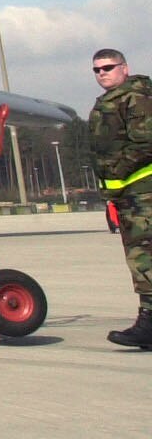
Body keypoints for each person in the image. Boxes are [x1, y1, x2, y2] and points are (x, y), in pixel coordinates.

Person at [89, 47, 152, 349]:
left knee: (145, 258)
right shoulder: (110, 102)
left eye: (108, 67)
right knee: (141, 258)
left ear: (124, 68)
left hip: (144, 193)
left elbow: (145, 143)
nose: (102, 73)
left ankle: (149, 324)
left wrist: (116, 174)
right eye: (97, 70)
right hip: (127, 194)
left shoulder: (135, 98)